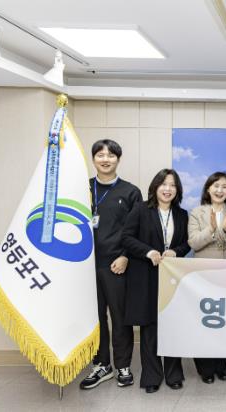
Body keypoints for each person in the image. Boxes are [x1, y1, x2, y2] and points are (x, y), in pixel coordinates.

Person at [80, 139, 142, 390]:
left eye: (111, 155)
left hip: (116, 264)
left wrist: (126, 255)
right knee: (93, 318)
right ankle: (101, 364)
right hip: (84, 266)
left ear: (118, 159)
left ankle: (123, 365)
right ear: (93, 158)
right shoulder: (81, 189)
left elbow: (137, 230)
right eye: (100, 155)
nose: (105, 159)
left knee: (120, 317)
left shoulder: (130, 192)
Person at [121, 169, 190, 393]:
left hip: (171, 278)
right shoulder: (141, 209)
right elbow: (126, 238)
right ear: (155, 187)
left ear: (177, 190)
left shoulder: (182, 214)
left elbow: (187, 243)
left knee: (173, 326)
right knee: (149, 327)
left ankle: (174, 374)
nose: (168, 189)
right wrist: (148, 251)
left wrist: (176, 251)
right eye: (163, 184)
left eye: (172, 185)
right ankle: (151, 376)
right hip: (146, 275)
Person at [188, 171, 226, 383]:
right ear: (208, 189)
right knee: (204, 321)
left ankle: (221, 366)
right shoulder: (196, 212)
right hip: (203, 274)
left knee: (224, 321)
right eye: (216, 186)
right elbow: (194, 243)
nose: (220, 190)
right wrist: (212, 228)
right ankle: (205, 368)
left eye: (224, 187)